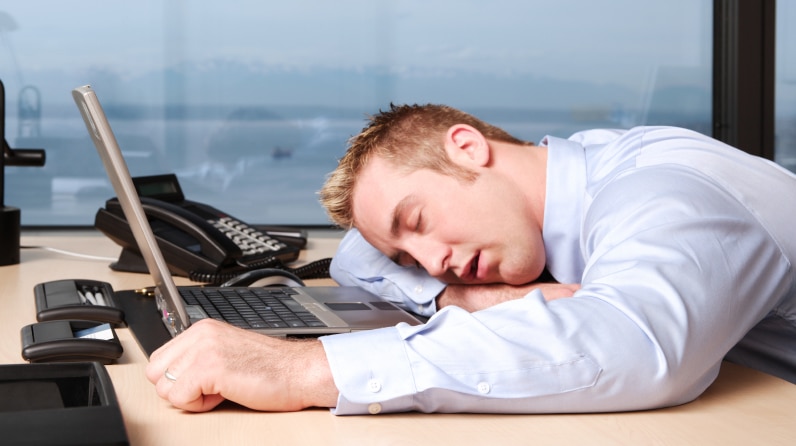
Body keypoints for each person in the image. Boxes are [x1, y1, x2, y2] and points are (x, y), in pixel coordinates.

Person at [146, 104, 796, 415]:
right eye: (407, 253)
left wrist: (308, 368)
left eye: (417, 221)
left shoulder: (662, 189)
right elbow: (353, 257)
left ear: (467, 146)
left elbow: (635, 349)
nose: (433, 262)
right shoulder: (559, 175)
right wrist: (463, 299)